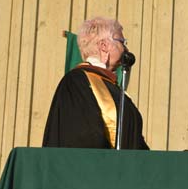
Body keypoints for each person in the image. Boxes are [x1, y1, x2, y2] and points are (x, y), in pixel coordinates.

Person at [42, 17, 148, 149]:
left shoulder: (111, 87)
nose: (126, 49)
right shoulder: (77, 83)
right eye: (122, 42)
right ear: (104, 46)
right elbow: (83, 139)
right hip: (101, 167)